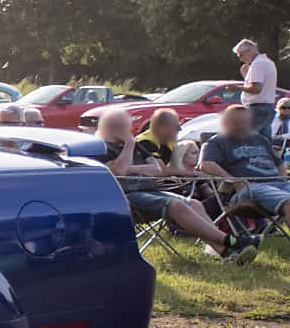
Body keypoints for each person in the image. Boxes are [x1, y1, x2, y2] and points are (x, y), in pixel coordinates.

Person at [91, 108, 254, 263]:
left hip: (151, 189)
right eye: (121, 126)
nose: (126, 129)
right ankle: (231, 241)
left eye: (125, 125)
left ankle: (227, 253)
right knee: (175, 205)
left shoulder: (136, 145)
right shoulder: (101, 148)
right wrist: (129, 147)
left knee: (195, 204)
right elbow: (119, 171)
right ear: (109, 127)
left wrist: (131, 168)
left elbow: (157, 169)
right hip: (124, 197)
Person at [197, 104, 290, 229]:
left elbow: (279, 163)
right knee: (288, 202)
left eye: (245, 122)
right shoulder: (217, 142)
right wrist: (234, 181)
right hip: (250, 188)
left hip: (278, 184)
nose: (241, 126)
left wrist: (283, 180)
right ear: (224, 123)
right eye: (235, 122)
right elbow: (206, 165)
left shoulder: (260, 139)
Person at [235, 39, 278, 137]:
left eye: (240, 55)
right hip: (267, 107)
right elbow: (261, 87)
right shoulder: (268, 62)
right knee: (264, 142)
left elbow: (256, 89)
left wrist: (237, 88)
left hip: (257, 109)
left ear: (249, 51)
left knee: (245, 139)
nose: (241, 59)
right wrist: (246, 76)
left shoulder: (257, 64)